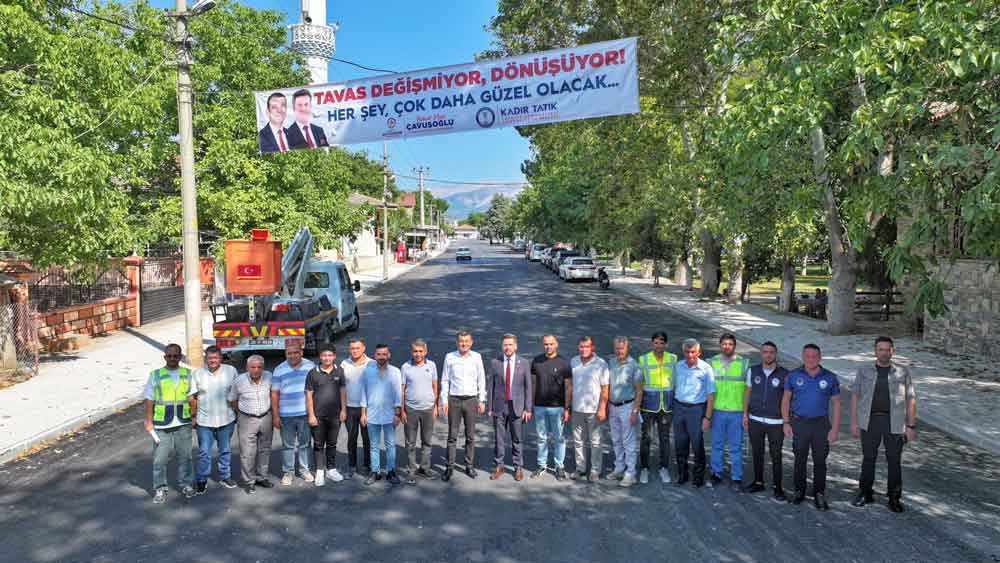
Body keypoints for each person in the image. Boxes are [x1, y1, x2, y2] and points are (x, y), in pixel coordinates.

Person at [849, 336, 918, 513]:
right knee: (868, 459)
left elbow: (911, 399)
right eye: (880, 349)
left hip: (894, 423)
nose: (884, 352)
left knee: (894, 461)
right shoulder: (864, 370)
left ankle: (894, 497)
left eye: (887, 349)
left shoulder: (902, 372)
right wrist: (854, 422)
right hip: (870, 421)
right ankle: (865, 492)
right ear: (875, 351)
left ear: (892, 351)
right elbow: (855, 395)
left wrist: (911, 426)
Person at [782, 343, 841, 511]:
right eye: (807, 356)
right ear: (803, 357)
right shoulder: (793, 375)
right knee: (799, 459)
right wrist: (786, 422)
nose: (810, 359)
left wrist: (835, 429)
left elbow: (837, 404)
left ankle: (819, 493)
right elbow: (785, 399)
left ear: (820, 358)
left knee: (820, 461)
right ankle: (799, 490)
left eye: (814, 356)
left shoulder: (829, 377)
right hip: (799, 423)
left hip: (821, 424)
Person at [144, 343, 197, 503]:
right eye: (169, 356)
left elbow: (191, 397)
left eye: (176, 356)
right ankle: (160, 488)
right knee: (159, 459)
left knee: (185, 457)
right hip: (161, 425)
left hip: (183, 422)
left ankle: (186, 484)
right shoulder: (155, 375)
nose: (173, 358)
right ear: (165, 357)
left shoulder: (187, 374)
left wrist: (194, 416)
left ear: (180, 357)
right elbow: (149, 399)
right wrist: (149, 421)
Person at [742, 341, 789, 500]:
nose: (768, 354)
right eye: (765, 352)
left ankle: (778, 487)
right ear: (761, 354)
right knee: (757, 453)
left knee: (776, 455)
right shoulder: (752, 371)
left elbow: (788, 400)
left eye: (771, 352)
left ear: (776, 354)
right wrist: (745, 414)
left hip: (776, 422)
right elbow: (747, 393)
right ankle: (758, 481)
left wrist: (786, 421)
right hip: (755, 419)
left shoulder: (784, 374)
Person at [191, 345, 239, 495]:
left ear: (221, 358)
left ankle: (225, 476)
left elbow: (237, 392)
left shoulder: (231, 371)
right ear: (206, 358)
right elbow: (192, 396)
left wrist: (237, 412)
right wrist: (193, 416)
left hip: (226, 419)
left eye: (216, 357)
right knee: (204, 452)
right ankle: (201, 479)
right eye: (210, 358)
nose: (213, 360)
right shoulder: (198, 373)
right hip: (204, 421)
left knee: (225, 450)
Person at [440, 330, 486, 481]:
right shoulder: (450, 357)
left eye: (466, 341)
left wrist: (482, 399)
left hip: (471, 400)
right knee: (452, 436)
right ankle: (449, 466)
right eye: (461, 341)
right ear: (457, 342)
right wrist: (444, 401)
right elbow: (445, 380)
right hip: (454, 400)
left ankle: (469, 465)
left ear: (471, 342)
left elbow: (481, 379)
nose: (464, 344)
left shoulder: (477, 357)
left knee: (470, 436)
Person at [487, 334, 533, 481]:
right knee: (499, 439)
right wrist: (490, 407)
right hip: (499, 406)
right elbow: (491, 386)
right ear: (502, 346)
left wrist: (528, 408)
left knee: (517, 439)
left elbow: (528, 388)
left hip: (517, 406)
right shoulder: (495, 362)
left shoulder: (524, 363)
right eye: (505, 345)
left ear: (516, 346)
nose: (507, 347)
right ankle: (499, 466)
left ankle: (518, 467)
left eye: (510, 344)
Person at [672, 338, 716, 488]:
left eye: (693, 352)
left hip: (696, 410)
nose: (690, 355)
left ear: (699, 352)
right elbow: (674, 386)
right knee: (680, 443)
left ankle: (698, 477)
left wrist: (707, 417)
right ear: (683, 352)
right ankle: (682, 474)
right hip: (679, 407)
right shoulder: (678, 366)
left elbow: (711, 395)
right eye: (687, 351)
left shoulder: (706, 369)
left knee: (697, 444)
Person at [708, 333, 749, 489]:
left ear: (734, 346)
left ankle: (736, 476)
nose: (727, 346)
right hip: (718, 410)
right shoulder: (712, 362)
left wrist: (745, 413)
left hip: (736, 411)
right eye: (724, 344)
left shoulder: (743, 363)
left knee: (736, 446)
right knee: (717, 444)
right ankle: (716, 473)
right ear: (720, 345)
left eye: (730, 344)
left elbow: (747, 391)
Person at [271, 342, 316, 485]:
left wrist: (313, 413)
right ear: (285, 354)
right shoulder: (279, 369)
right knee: (287, 445)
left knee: (305, 444)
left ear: (301, 352)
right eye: (289, 353)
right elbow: (274, 394)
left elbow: (315, 390)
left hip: (305, 413)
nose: (292, 355)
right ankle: (288, 472)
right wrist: (276, 415)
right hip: (286, 415)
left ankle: (304, 470)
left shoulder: (310, 366)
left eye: (295, 352)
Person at [229, 355, 274, 494]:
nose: (256, 370)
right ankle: (249, 481)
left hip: (266, 417)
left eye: (259, 367)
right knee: (248, 452)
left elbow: (274, 394)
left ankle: (262, 477)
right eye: (253, 367)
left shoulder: (269, 376)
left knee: (265, 449)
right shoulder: (239, 381)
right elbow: (233, 399)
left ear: (263, 367)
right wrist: (240, 413)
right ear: (247, 368)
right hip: (247, 419)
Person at [530, 334, 572, 480]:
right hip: (540, 407)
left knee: (559, 438)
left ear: (556, 345)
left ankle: (559, 466)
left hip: (557, 408)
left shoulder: (564, 363)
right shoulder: (536, 361)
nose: (548, 346)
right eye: (546, 344)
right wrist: (531, 405)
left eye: (551, 344)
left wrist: (567, 408)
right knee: (541, 438)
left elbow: (568, 386)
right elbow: (533, 384)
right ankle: (542, 465)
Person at [360, 344, 403, 485]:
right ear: (375, 355)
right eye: (379, 354)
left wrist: (397, 414)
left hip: (390, 414)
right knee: (374, 445)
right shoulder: (367, 371)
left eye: (384, 354)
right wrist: (363, 414)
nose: (382, 357)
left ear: (389, 355)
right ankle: (375, 472)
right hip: (372, 414)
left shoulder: (395, 372)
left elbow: (398, 394)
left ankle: (391, 471)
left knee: (390, 445)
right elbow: (363, 394)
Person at [305, 344, 347, 487]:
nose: (327, 358)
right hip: (318, 416)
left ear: (334, 356)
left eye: (329, 355)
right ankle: (319, 471)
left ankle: (331, 469)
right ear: (320, 357)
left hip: (335, 415)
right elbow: (309, 395)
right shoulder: (313, 373)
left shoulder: (339, 371)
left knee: (332, 443)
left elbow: (342, 391)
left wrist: (343, 410)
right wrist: (311, 415)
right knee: (318, 444)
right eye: (324, 355)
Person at [637, 331, 676, 485]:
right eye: (656, 342)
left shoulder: (673, 359)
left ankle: (664, 468)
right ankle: (645, 468)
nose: (659, 345)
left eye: (662, 342)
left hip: (666, 405)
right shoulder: (643, 359)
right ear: (652, 343)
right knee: (646, 437)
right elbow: (639, 384)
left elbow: (675, 381)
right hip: (648, 405)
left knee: (664, 438)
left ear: (666, 344)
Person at [570, 336, 610, 482]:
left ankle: (595, 470)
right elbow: (570, 386)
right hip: (577, 409)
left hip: (594, 410)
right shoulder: (574, 361)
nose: (584, 349)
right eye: (581, 346)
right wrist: (568, 406)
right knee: (578, 441)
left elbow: (605, 388)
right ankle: (580, 468)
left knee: (596, 442)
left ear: (593, 348)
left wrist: (602, 408)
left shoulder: (601, 364)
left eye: (587, 346)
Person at [400, 339, 439, 484]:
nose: (418, 354)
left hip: (428, 409)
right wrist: (402, 410)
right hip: (411, 409)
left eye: (421, 351)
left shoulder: (432, 366)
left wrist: (435, 406)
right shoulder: (405, 367)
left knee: (427, 441)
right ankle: (411, 470)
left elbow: (435, 386)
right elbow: (402, 390)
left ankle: (424, 468)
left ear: (425, 352)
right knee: (410, 442)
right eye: (415, 351)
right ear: (412, 352)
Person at [606, 336, 643, 487]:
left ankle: (631, 473)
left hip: (628, 407)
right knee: (616, 440)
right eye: (616, 348)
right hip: (613, 406)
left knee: (629, 442)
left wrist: (635, 411)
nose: (619, 351)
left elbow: (639, 391)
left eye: (621, 348)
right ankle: (619, 468)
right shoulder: (612, 362)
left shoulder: (635, 366)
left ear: (627, 348)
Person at [341, 338, 373, 478]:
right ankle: (352, 466)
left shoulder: (371, 364)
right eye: (352, 348)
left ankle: (367, 465)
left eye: (357, 348)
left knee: (367, 439)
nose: (355, 351)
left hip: (367, 408)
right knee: (351, 438)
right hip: (349, 407)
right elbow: (341, 387)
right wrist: (342, 409)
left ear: (363, 348)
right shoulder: (344, 364)